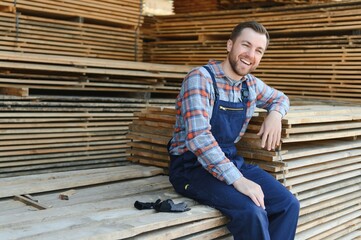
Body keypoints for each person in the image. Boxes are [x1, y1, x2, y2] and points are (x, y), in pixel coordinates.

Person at [167, 21, 300, 240]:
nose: (250, 54)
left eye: (258, 50)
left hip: (229, 159)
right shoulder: (200, 79)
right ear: (230, 45)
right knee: (252, 212)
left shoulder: (251, 85)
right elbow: (198, 138)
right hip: (191, 167)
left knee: (288, 204)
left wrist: (275, 114)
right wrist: (238, 180)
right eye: (245, 45)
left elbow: (280, 98)